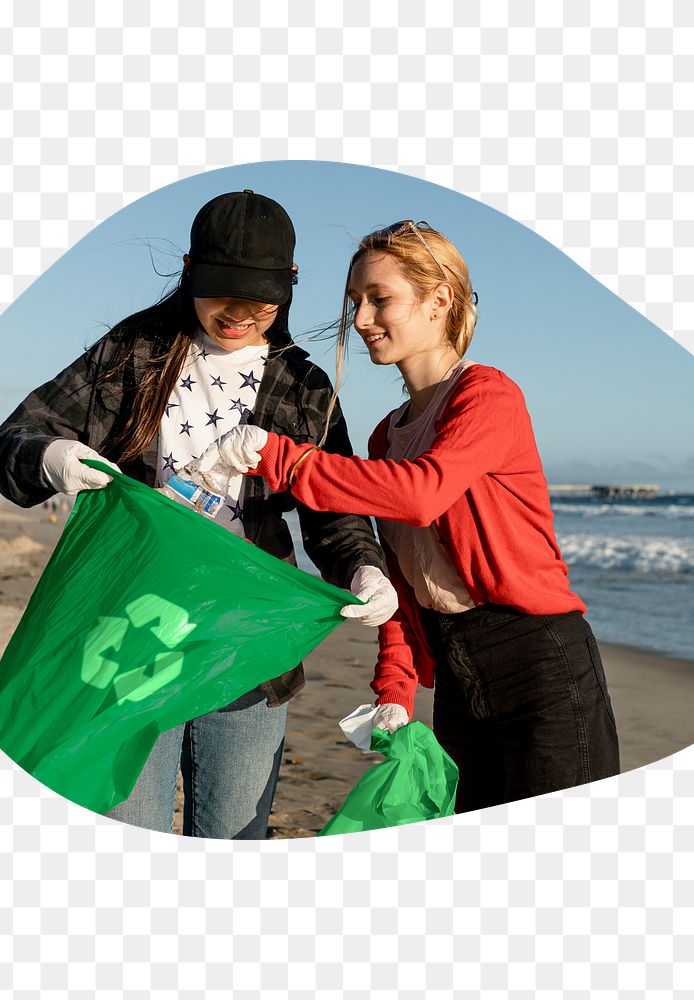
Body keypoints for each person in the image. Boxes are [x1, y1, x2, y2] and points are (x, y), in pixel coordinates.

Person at [0, 190, 398, 838]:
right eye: (221, 292)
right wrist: (54, 456)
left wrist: (364, 569)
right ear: (188, 270)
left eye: (258, 298)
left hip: (245, 648)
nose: (237, 313)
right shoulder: (135, 352)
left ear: (290, 284)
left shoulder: (305, 388)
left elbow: (335, 512)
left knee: (236, 838)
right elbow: (17, 437)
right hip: (131, 637)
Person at [197, 219, 620, 814]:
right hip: (454, 671)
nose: (362, 320)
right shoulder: (384, 436)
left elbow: (422, 493)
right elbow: (403, 579)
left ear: (439, 299)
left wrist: (277, 456)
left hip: (539, 666)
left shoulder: (488, 396)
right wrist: (395, 685)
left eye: (380, 300)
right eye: (354, 303)